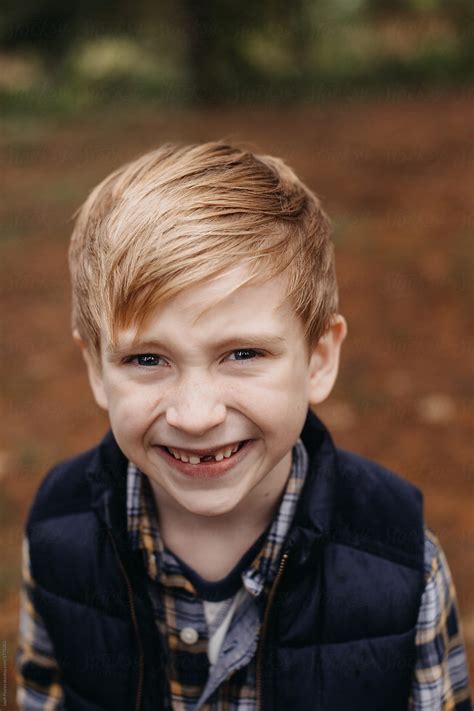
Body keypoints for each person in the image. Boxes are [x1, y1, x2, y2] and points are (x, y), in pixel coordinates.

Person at [16, 142, 471, 710]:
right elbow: (44, 693)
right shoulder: (59, 532)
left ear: (319, 359)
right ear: (96, 370)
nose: (196, 414)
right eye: (147, 360)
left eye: (243, 353)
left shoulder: (402, 564)